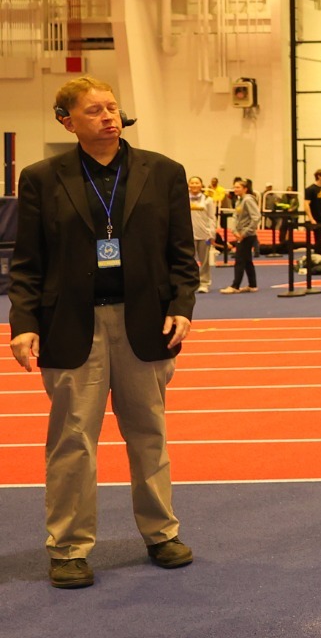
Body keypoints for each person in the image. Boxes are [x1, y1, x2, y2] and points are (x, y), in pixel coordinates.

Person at [9, 76, 197, 589]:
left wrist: (183, 306)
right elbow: (27, 262)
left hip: (146, 323)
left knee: (149, 436)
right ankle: (68, 548)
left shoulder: (164, 172)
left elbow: (182, 255)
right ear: (66, 120)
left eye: (112, 107)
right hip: (72, 325)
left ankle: (161, 533)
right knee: (72, 442)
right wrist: (23, 324)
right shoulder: (42, 178)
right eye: (93, 110)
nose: (108, 117)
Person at [220, 179, 261, 292]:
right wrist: (234, 230)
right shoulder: (239, 201)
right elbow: (236, 216)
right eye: (234, 187)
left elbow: (256, 217)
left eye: (238, 187)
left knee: (239, 260)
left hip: (247, 235)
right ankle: (253, 285)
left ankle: (235, 286)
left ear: (245, 189)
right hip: (240, 234)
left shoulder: (248, 200)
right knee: (247, 260)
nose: (235, 189)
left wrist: (245, 233)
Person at [187, 174, 218, 294]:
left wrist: (212, 233)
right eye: (192, 183)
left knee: (204, 261)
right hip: (189, 235)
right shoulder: (183, 199)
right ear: (188, 185)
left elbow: (211, 217)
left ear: (201, 185)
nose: (194, 185)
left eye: (197, 183)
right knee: (189, 261)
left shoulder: (208, 200)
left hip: (204, 235)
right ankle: (190, 282)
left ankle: (204, 282)